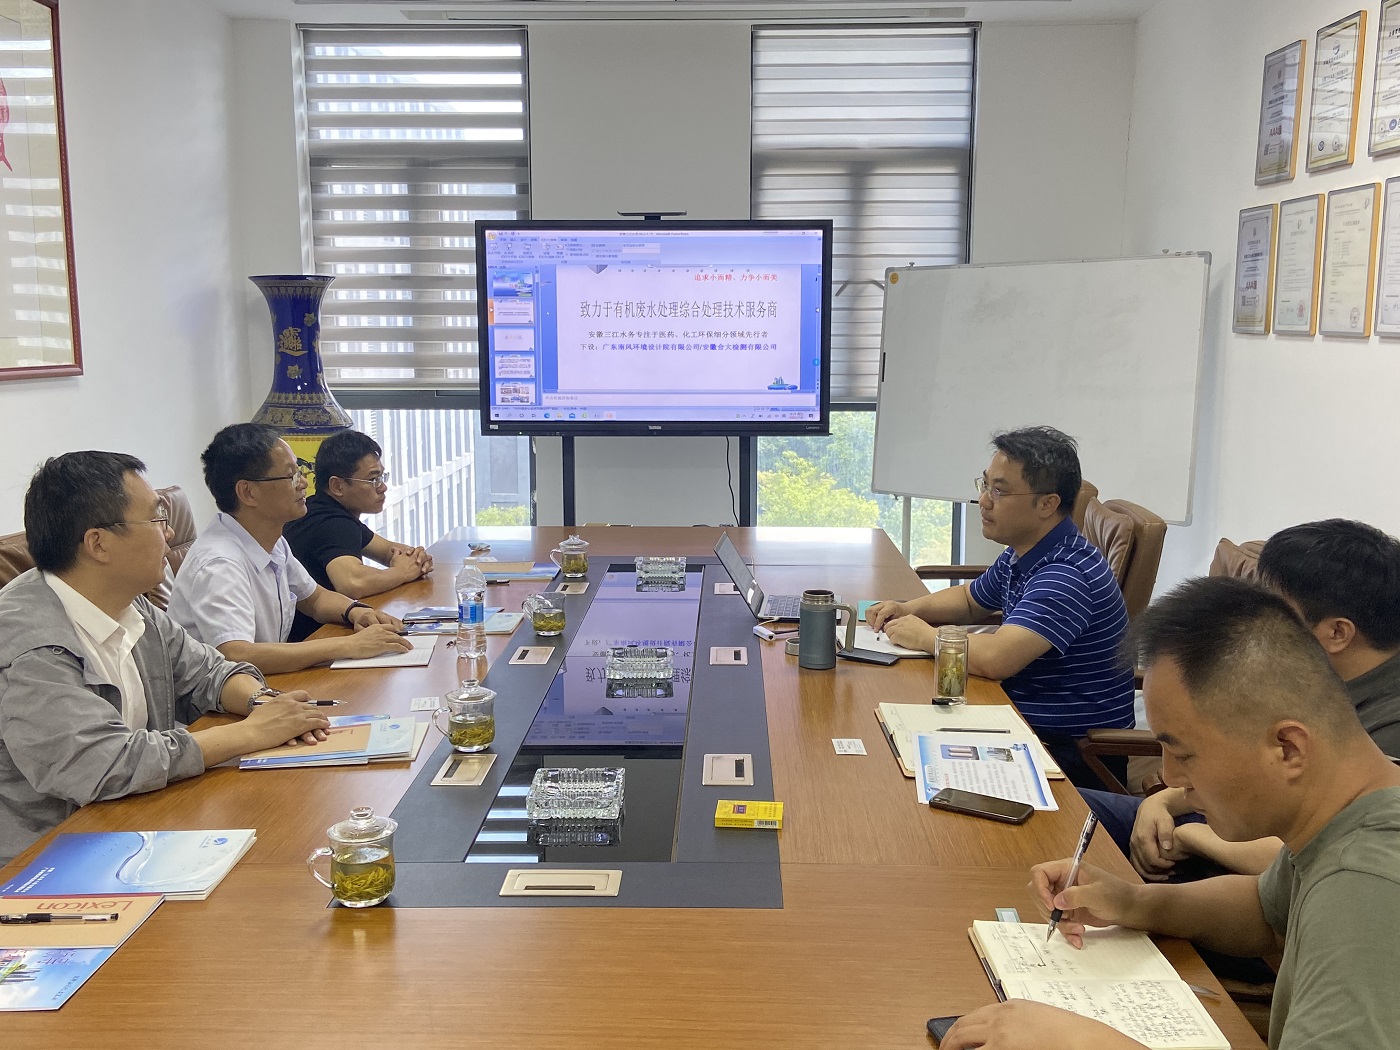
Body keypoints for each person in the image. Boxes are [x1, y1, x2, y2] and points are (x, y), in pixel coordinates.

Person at [941, 576, 1400, 1050]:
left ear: (1287, 748)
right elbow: (1267, 911)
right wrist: (1132, 902)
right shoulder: (1355, 803)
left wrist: (1081, 1042)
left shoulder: (1368, 885)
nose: (1169, 776)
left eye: (1184, 754)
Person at [0, 451, 332, 865]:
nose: (171, 531)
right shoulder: (29, 644)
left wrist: (262, 703)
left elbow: (208, 671)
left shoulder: (128, 602)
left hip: (133, 822)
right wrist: (253, 733)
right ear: (98, 543)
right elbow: (101, 764)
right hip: (45, 860)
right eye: (157, 518)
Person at [1088, 519, 1400, 881]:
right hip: (1215, 811)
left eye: (1278, 612)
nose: (1258, 624)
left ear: (1337, 632)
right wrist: (1161, 801)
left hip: (1239, 853)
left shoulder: (1388, 728)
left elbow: (1311, 851)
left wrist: (1190, 836)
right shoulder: (1307, 675)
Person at [866, 426, 1134, 785]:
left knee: (899, 769)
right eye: (985, 484)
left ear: (1047, 504)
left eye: (999, 491)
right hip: (1023, 722)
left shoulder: (1066, 575)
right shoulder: (1026, 551)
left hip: (1070, 756)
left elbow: (996, 659)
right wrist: (909, 609)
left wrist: (926, 637)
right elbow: (970, 600)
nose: (984, 500)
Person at [167, 423, 412, 674]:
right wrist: (348, 645)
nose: (303, 483)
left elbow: (315, 599)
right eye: (291, 475)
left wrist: (356, 612)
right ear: (248, 492)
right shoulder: (219, 563)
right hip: (220, 697)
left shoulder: (271, 541)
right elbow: (238, 654)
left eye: (300, 472)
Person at [282, 429, 432, 642]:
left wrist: (416, 557)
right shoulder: (332, 522)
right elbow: (352, 582)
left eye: (382, 477)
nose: (383, 487)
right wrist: (402, 572)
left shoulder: (326, 511)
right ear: (337, 486)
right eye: (373, 480)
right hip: (315, 638)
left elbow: (389, 551)